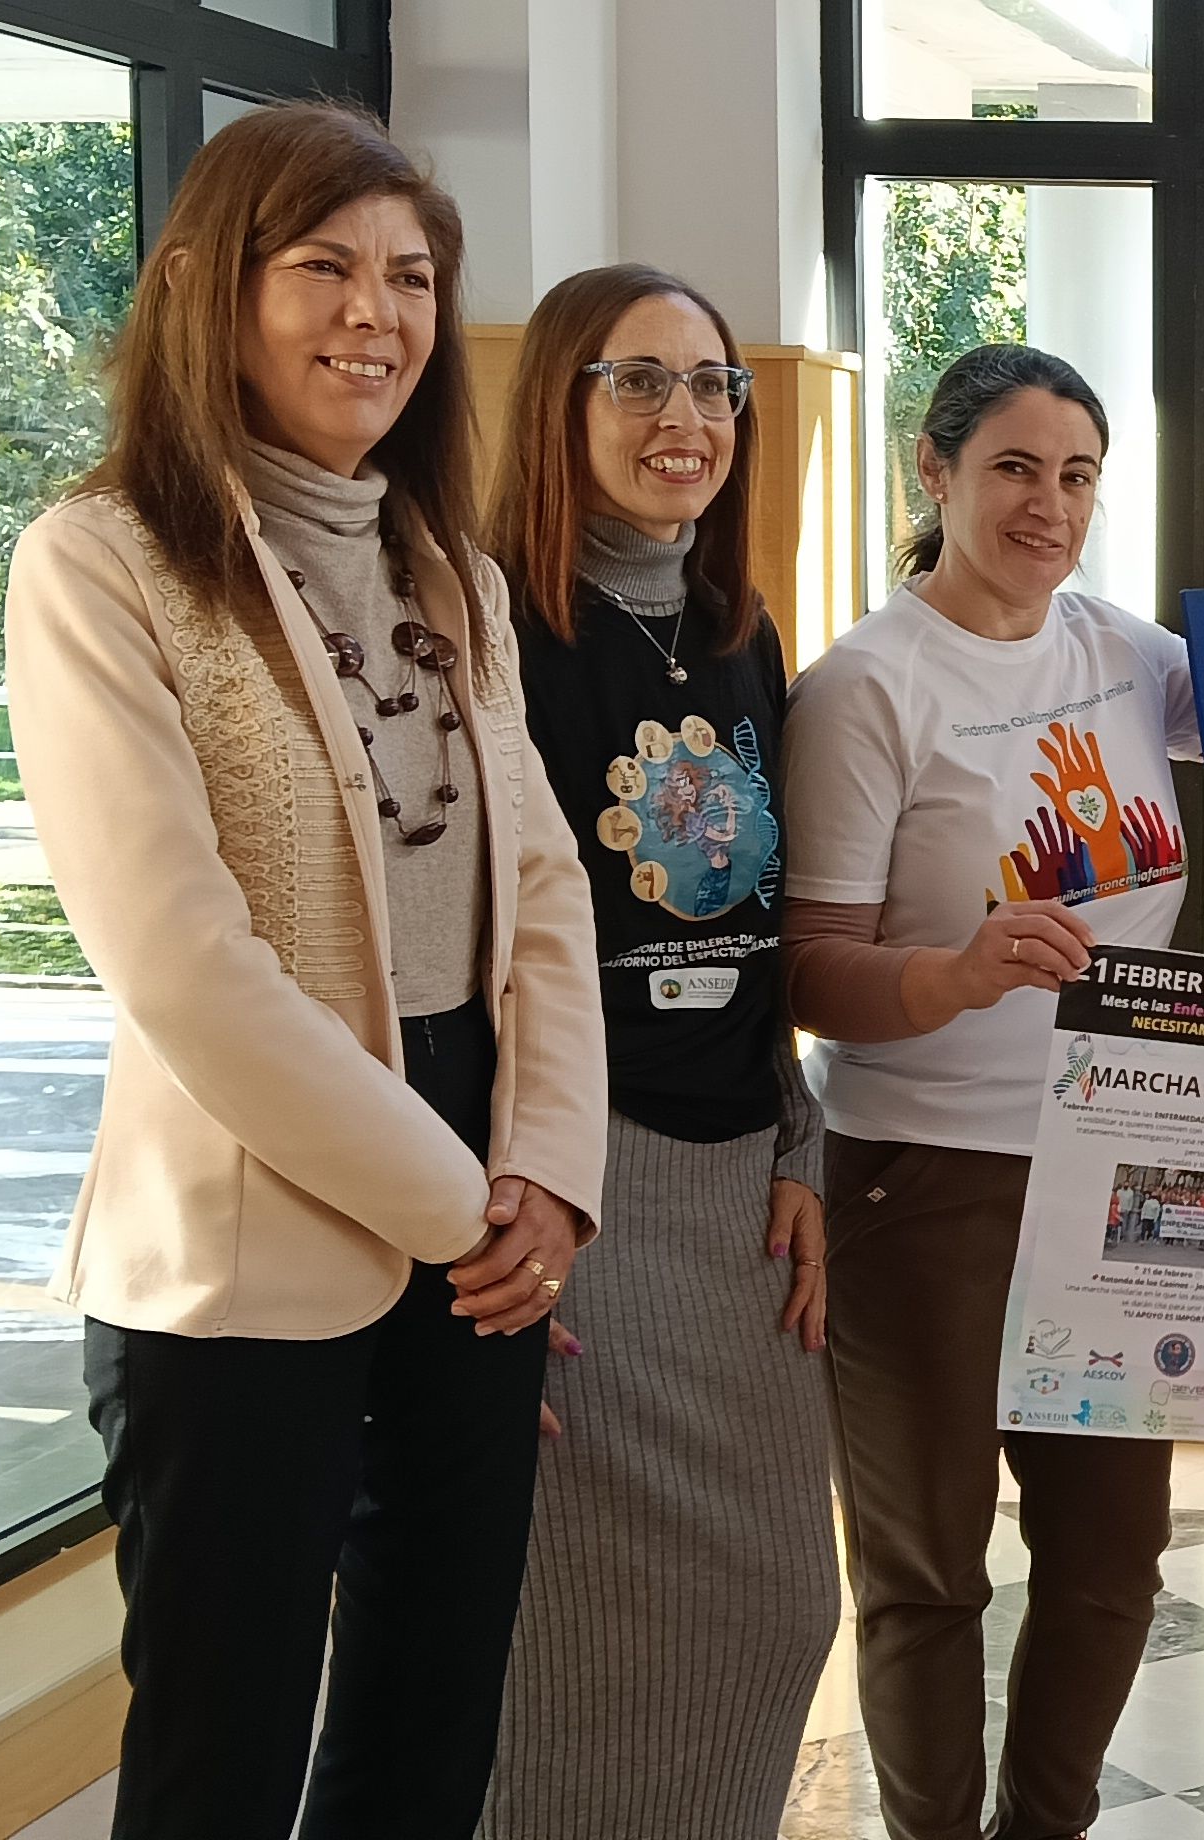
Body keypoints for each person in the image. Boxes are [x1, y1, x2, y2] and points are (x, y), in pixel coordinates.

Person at [2, 103, 602, 1840]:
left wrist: (548, 1170)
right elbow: (185, 964)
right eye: (325, 266)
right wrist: (464, 1205)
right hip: (253, 1229)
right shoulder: (101, 562)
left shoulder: (452, 571)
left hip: (486, 1193)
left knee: (431, 1722)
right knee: (224, 1752)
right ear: (208, 287)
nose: (376, 313)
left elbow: (540, 888)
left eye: (411, 277)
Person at [782, 343, 1204, 1840]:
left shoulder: (1122, 653)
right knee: (927, 1571)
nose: (1049, 505)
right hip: (925, 1175)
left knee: (1109, 1562)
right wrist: (955, 973)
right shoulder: (864, 688)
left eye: (1077, 475)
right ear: (934, 471)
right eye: (1013, 470)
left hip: (1131, 1161)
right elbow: (811, 968)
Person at [475, 264, 834, 1839]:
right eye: (639, 380)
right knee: (580, 1634)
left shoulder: (740, 633)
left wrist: (799, 1138)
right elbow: (463, 957)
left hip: (738, 1190)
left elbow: (759, 928)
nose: (683, 417)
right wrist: (499, 1214)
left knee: (779, 1606)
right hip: (575, 1190)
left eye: (711, 386)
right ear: (561, 401)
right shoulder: (488, 626)